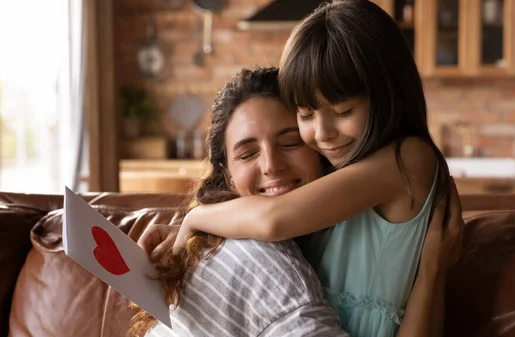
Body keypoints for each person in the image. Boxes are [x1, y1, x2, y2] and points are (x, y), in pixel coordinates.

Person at [172, 1, 452, 337]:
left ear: (387, 95)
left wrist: (194, 217)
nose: (321, 134)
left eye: (343, 110)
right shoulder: (339, 177)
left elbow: (272, 218)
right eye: (305, 115)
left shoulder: (408, 160)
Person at [129, 67, 463, 337]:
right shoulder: (263, 263)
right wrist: (194, 218)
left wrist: (433, 272)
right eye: (247, 153)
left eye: (290, 144)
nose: (271, 165)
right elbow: (271, 219)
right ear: (227, 176)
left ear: (321, 154)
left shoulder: (321, 233)